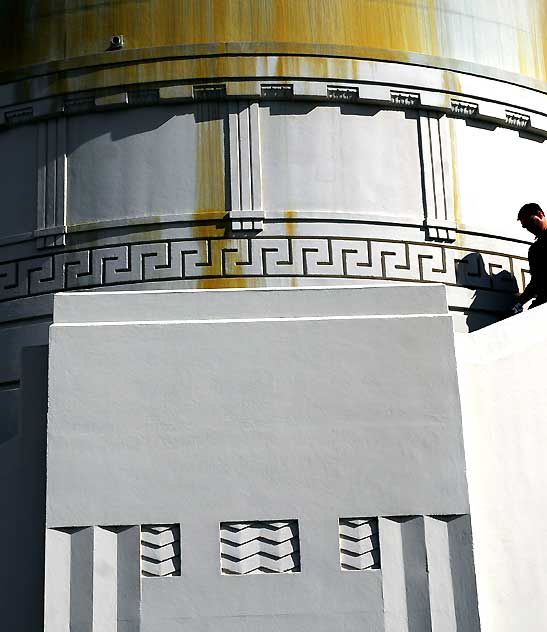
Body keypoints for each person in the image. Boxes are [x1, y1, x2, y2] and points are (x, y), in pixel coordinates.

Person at [513, 202, 547, 313]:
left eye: (531, 222)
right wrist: (519, 303)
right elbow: (536, 282)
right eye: (526, 226)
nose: (530, 228)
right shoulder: (535, 250)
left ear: (540, 214)